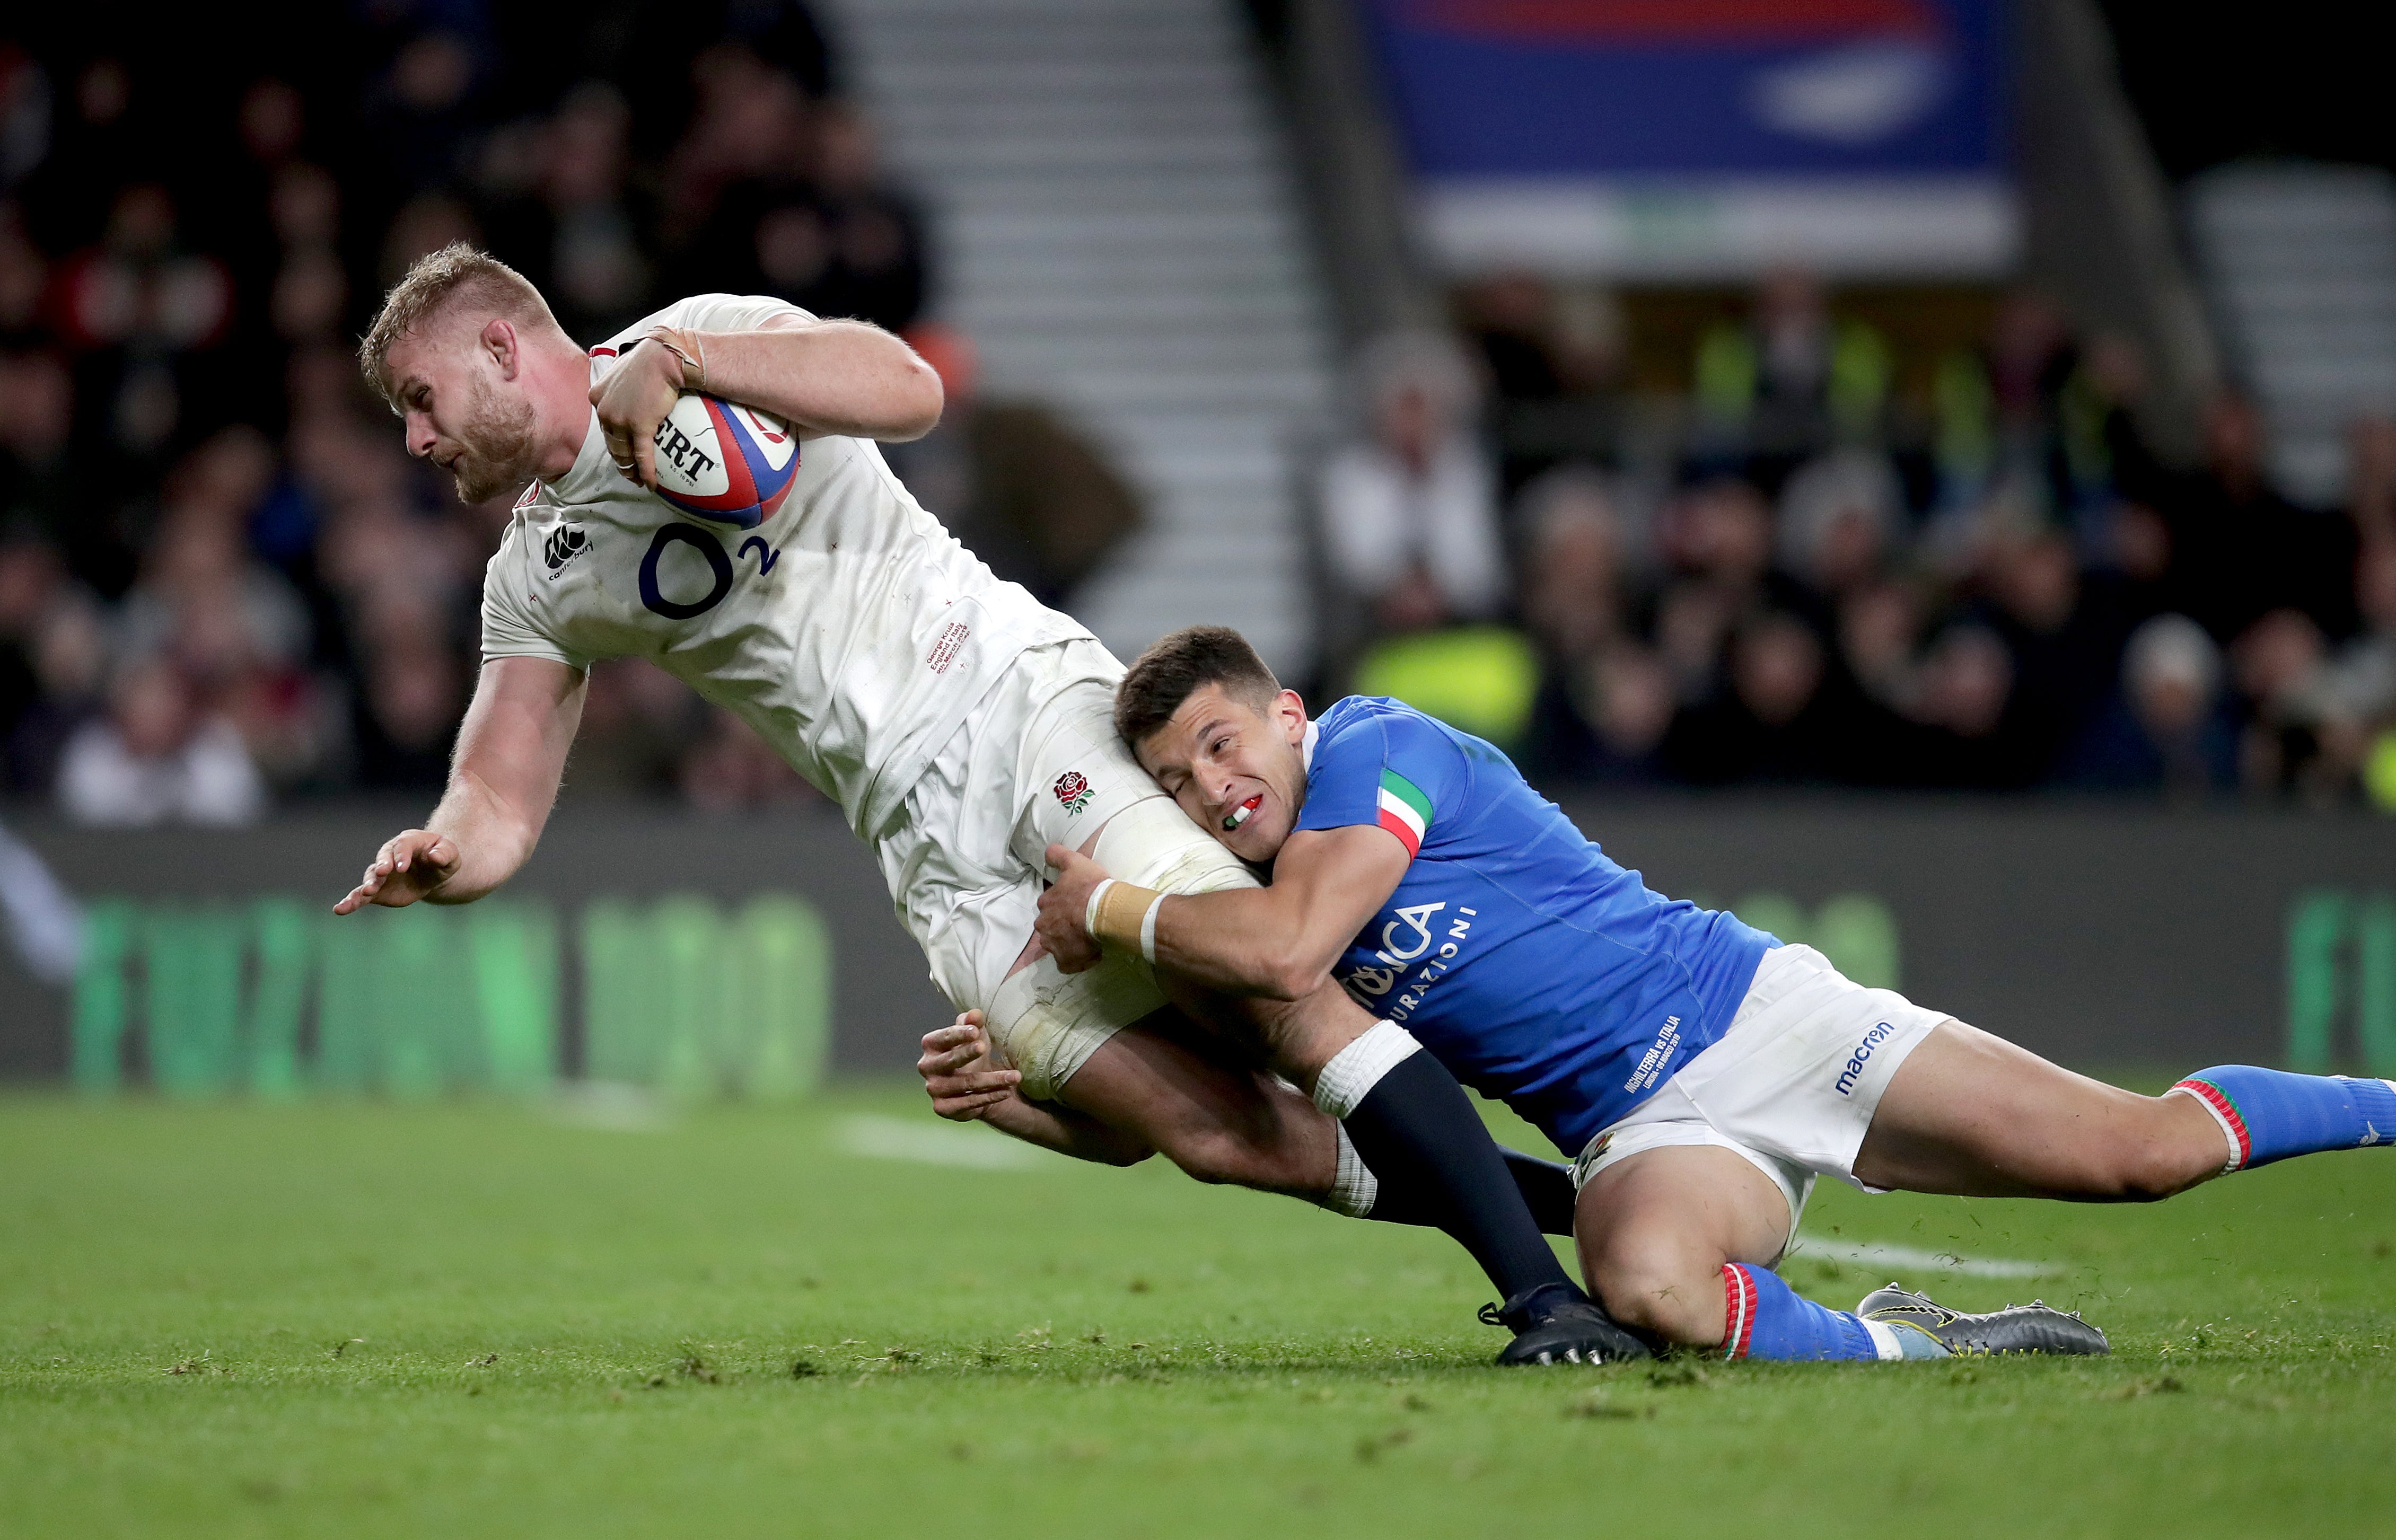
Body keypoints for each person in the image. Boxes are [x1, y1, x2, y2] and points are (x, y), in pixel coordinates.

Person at [333, 244, 1631, 1366]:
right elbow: (499, 791)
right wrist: (446, 850)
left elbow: (909, 390)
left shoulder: (714, 331)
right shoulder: (531, 578)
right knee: (1211, 1132)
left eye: (420, 399)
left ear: (502, 346)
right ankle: (1592, 1206)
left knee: (1269, 994)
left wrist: (686, 359)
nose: (417, 438)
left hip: (1016, 707)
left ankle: (1541, 1295)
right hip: (923, 850)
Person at [1027, 624, 2396, 1361]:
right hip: (1645, 1135)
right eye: (1182, 779)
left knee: (2142, 1157)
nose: (1215, 786)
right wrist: (1035, 1090)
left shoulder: (1380, 742)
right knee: (1654, 1292)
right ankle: (1914, 1347)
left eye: (1222, 742)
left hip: (1768, 1023)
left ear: (1290, 712)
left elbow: (1286, 952)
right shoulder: (1232, 899)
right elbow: (1251, 1123)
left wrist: (1104, 903)